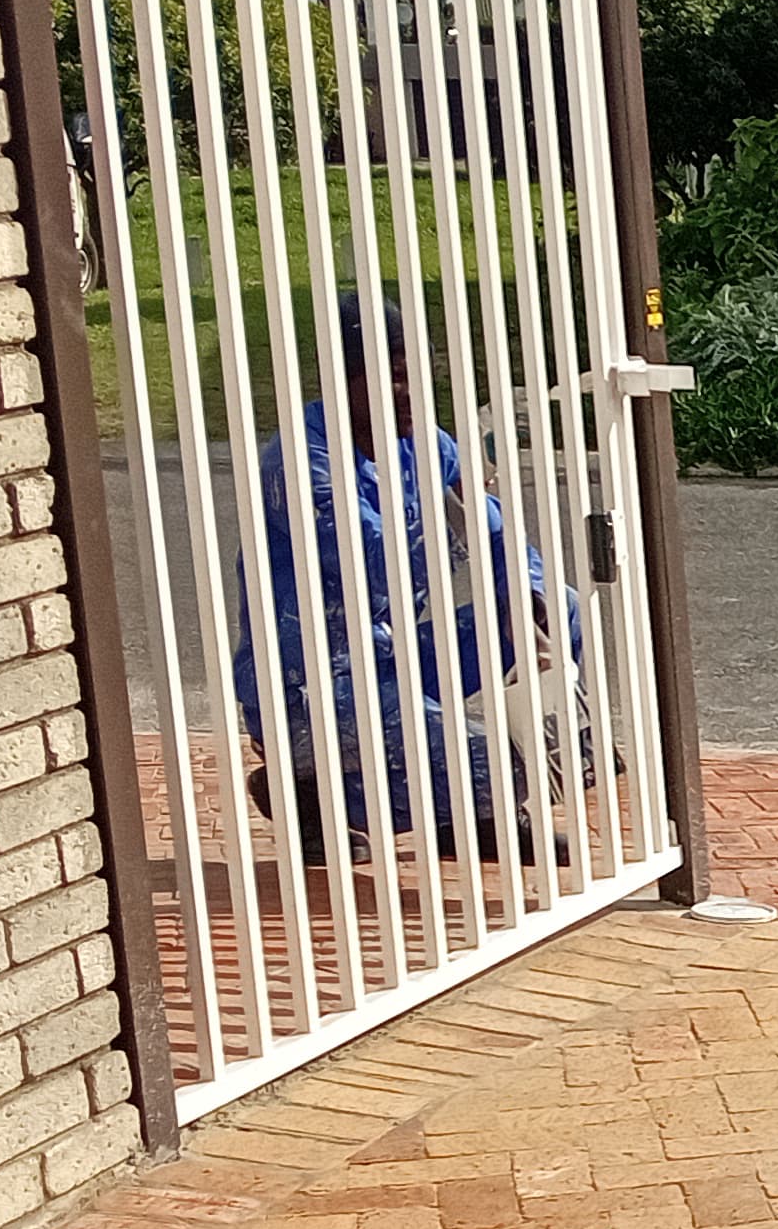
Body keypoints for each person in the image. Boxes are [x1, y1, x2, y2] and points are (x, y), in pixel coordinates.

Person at [241, 292, 599, 873]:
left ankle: (468, 815)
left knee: (560, 607)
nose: (411, 397)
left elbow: (500, 539)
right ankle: (306, 788)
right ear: (342, 381)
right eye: (395, 380)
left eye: (419, 379)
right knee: (494, 762)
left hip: (394, 653)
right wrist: (462, 508)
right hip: (312, 682)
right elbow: (375, 562)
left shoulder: (425, 444)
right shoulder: (301, 461)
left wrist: (523, 598)